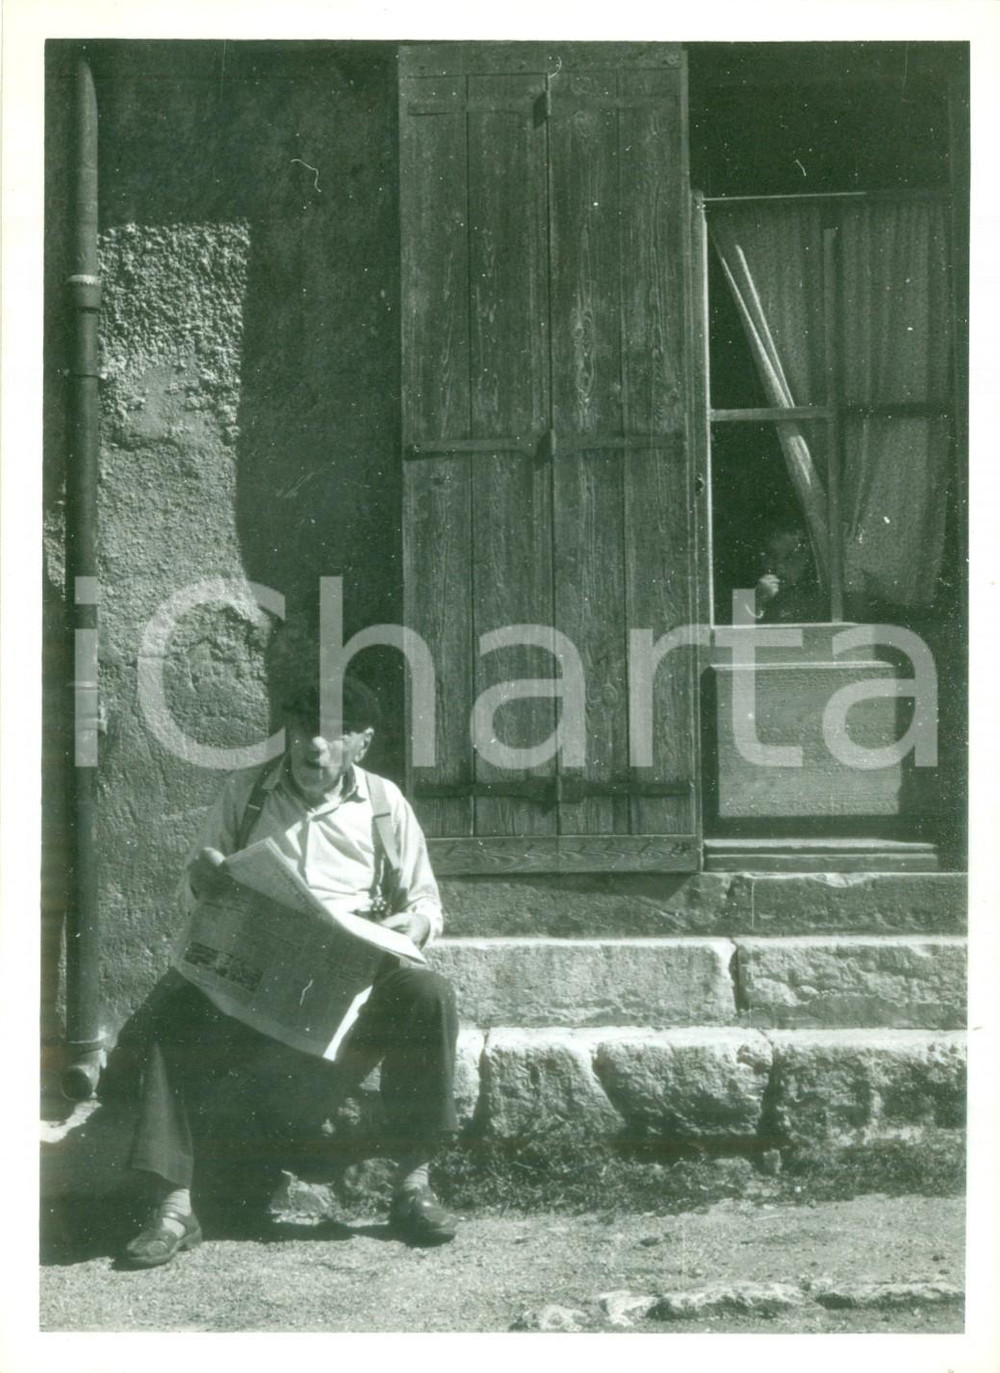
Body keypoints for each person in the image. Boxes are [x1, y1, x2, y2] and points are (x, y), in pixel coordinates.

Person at [121, 676, 460, 1268]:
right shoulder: (246, 794)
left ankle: (413, 1184)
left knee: (427, 992)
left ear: (362, 742)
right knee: (175, 1008)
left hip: (351, 984)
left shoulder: (384, 804)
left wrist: (417, 925)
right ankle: (174, 1207)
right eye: (304, 729)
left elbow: (426, 901)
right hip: (256, 980)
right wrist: (201, 881)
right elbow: (193, 889)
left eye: (335, 733)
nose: (316, 746)